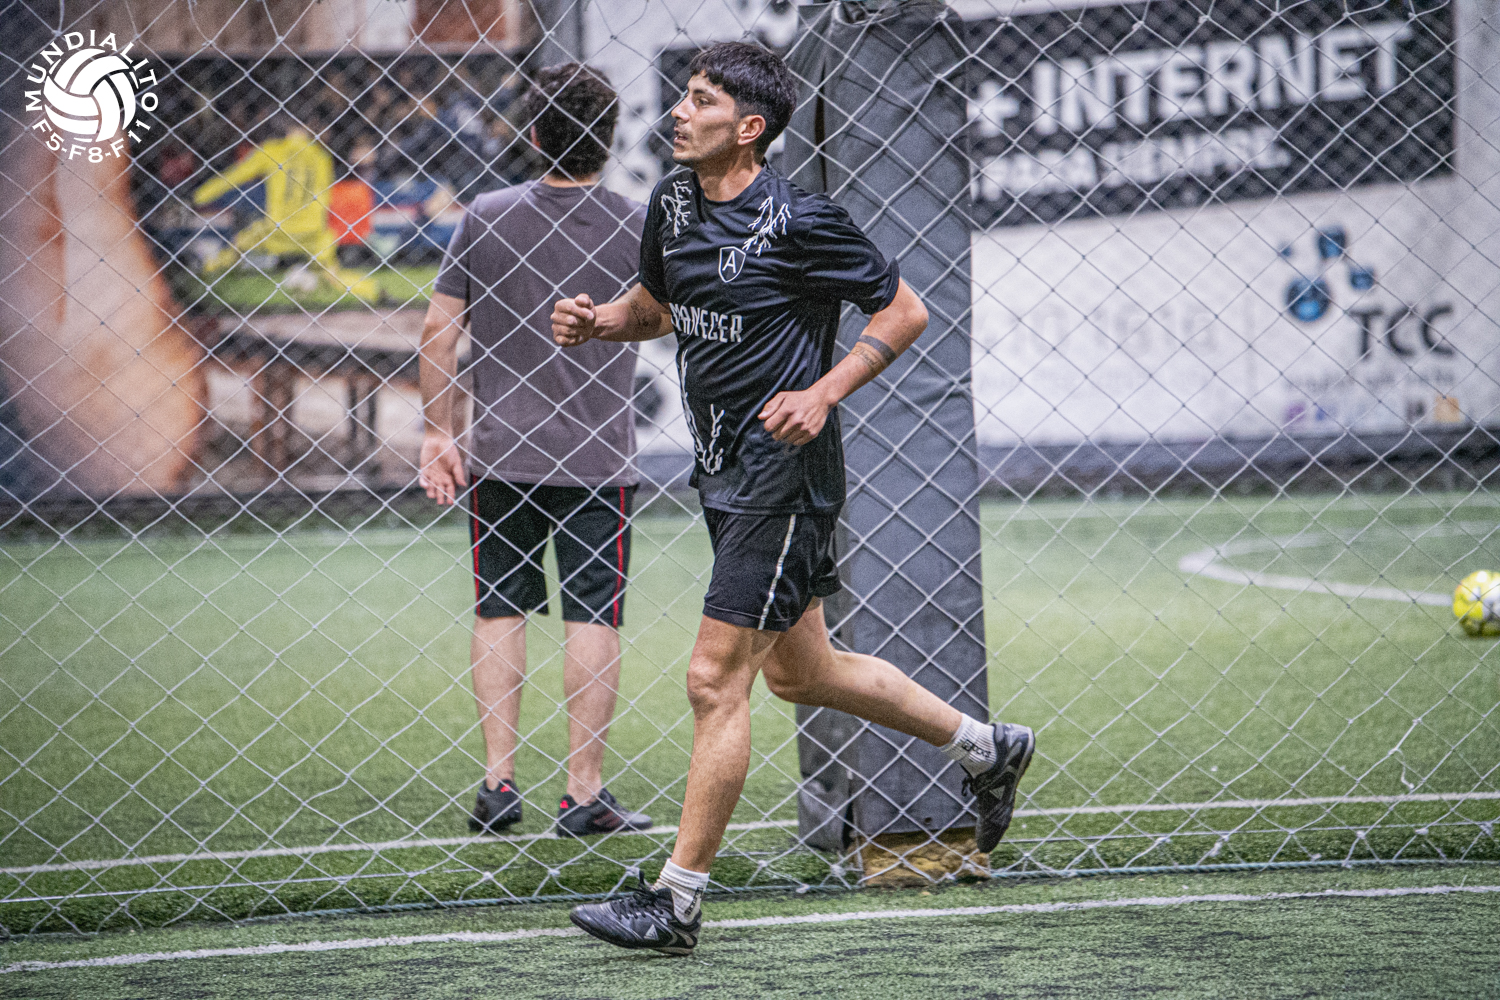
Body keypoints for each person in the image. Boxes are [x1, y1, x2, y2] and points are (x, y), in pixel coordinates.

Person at [553, 42, 1035, 955]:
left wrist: (823, 392)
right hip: (722, 470)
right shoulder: (674, 201)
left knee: (714, 680)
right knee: (801, 674)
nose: (678, 112)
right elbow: (657, 304)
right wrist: (602, 321)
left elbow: (904, 311)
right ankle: (987, 747)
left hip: (783, 479)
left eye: (700, 101)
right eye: (682, 96)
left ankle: (677, 903)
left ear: (749, 127)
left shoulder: (803, 220)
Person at [419, 64, 654, 839]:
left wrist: (438, 431)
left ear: (532, 135)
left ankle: (498, 785)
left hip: (500, 453)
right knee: (594, 616)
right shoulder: (637, 223)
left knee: (499, 608)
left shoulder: (485, 217)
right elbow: (666, 315)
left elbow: (438, 332)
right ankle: (582, 793)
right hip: (597, 459)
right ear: (609, 139)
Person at [191, 113, 380, 302]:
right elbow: (326, 197)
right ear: (308, 127)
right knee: (331, 272)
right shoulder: (320, 155)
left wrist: (198, 197)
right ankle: (373, 291)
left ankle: (199, 279)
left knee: (237, 247)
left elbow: (234, 176)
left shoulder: (272, 150)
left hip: (277, 230)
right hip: (313, 233)